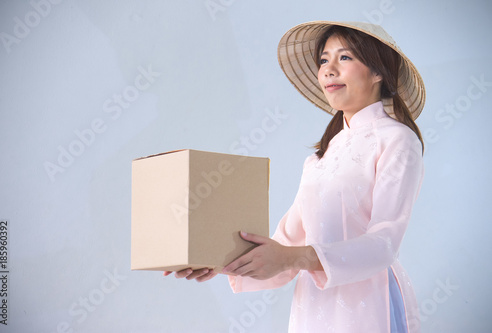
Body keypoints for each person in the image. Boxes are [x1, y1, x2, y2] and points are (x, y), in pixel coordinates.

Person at [165, 20, 425, 333]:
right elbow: (285, 246)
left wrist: (291, 257)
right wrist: (215, 260)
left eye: (344, 58)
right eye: (324, 60)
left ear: (379, 71)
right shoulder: (318, 159)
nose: (329, 69)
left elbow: (384, 244)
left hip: (369, 306)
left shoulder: (398, 140)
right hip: (312, 308)